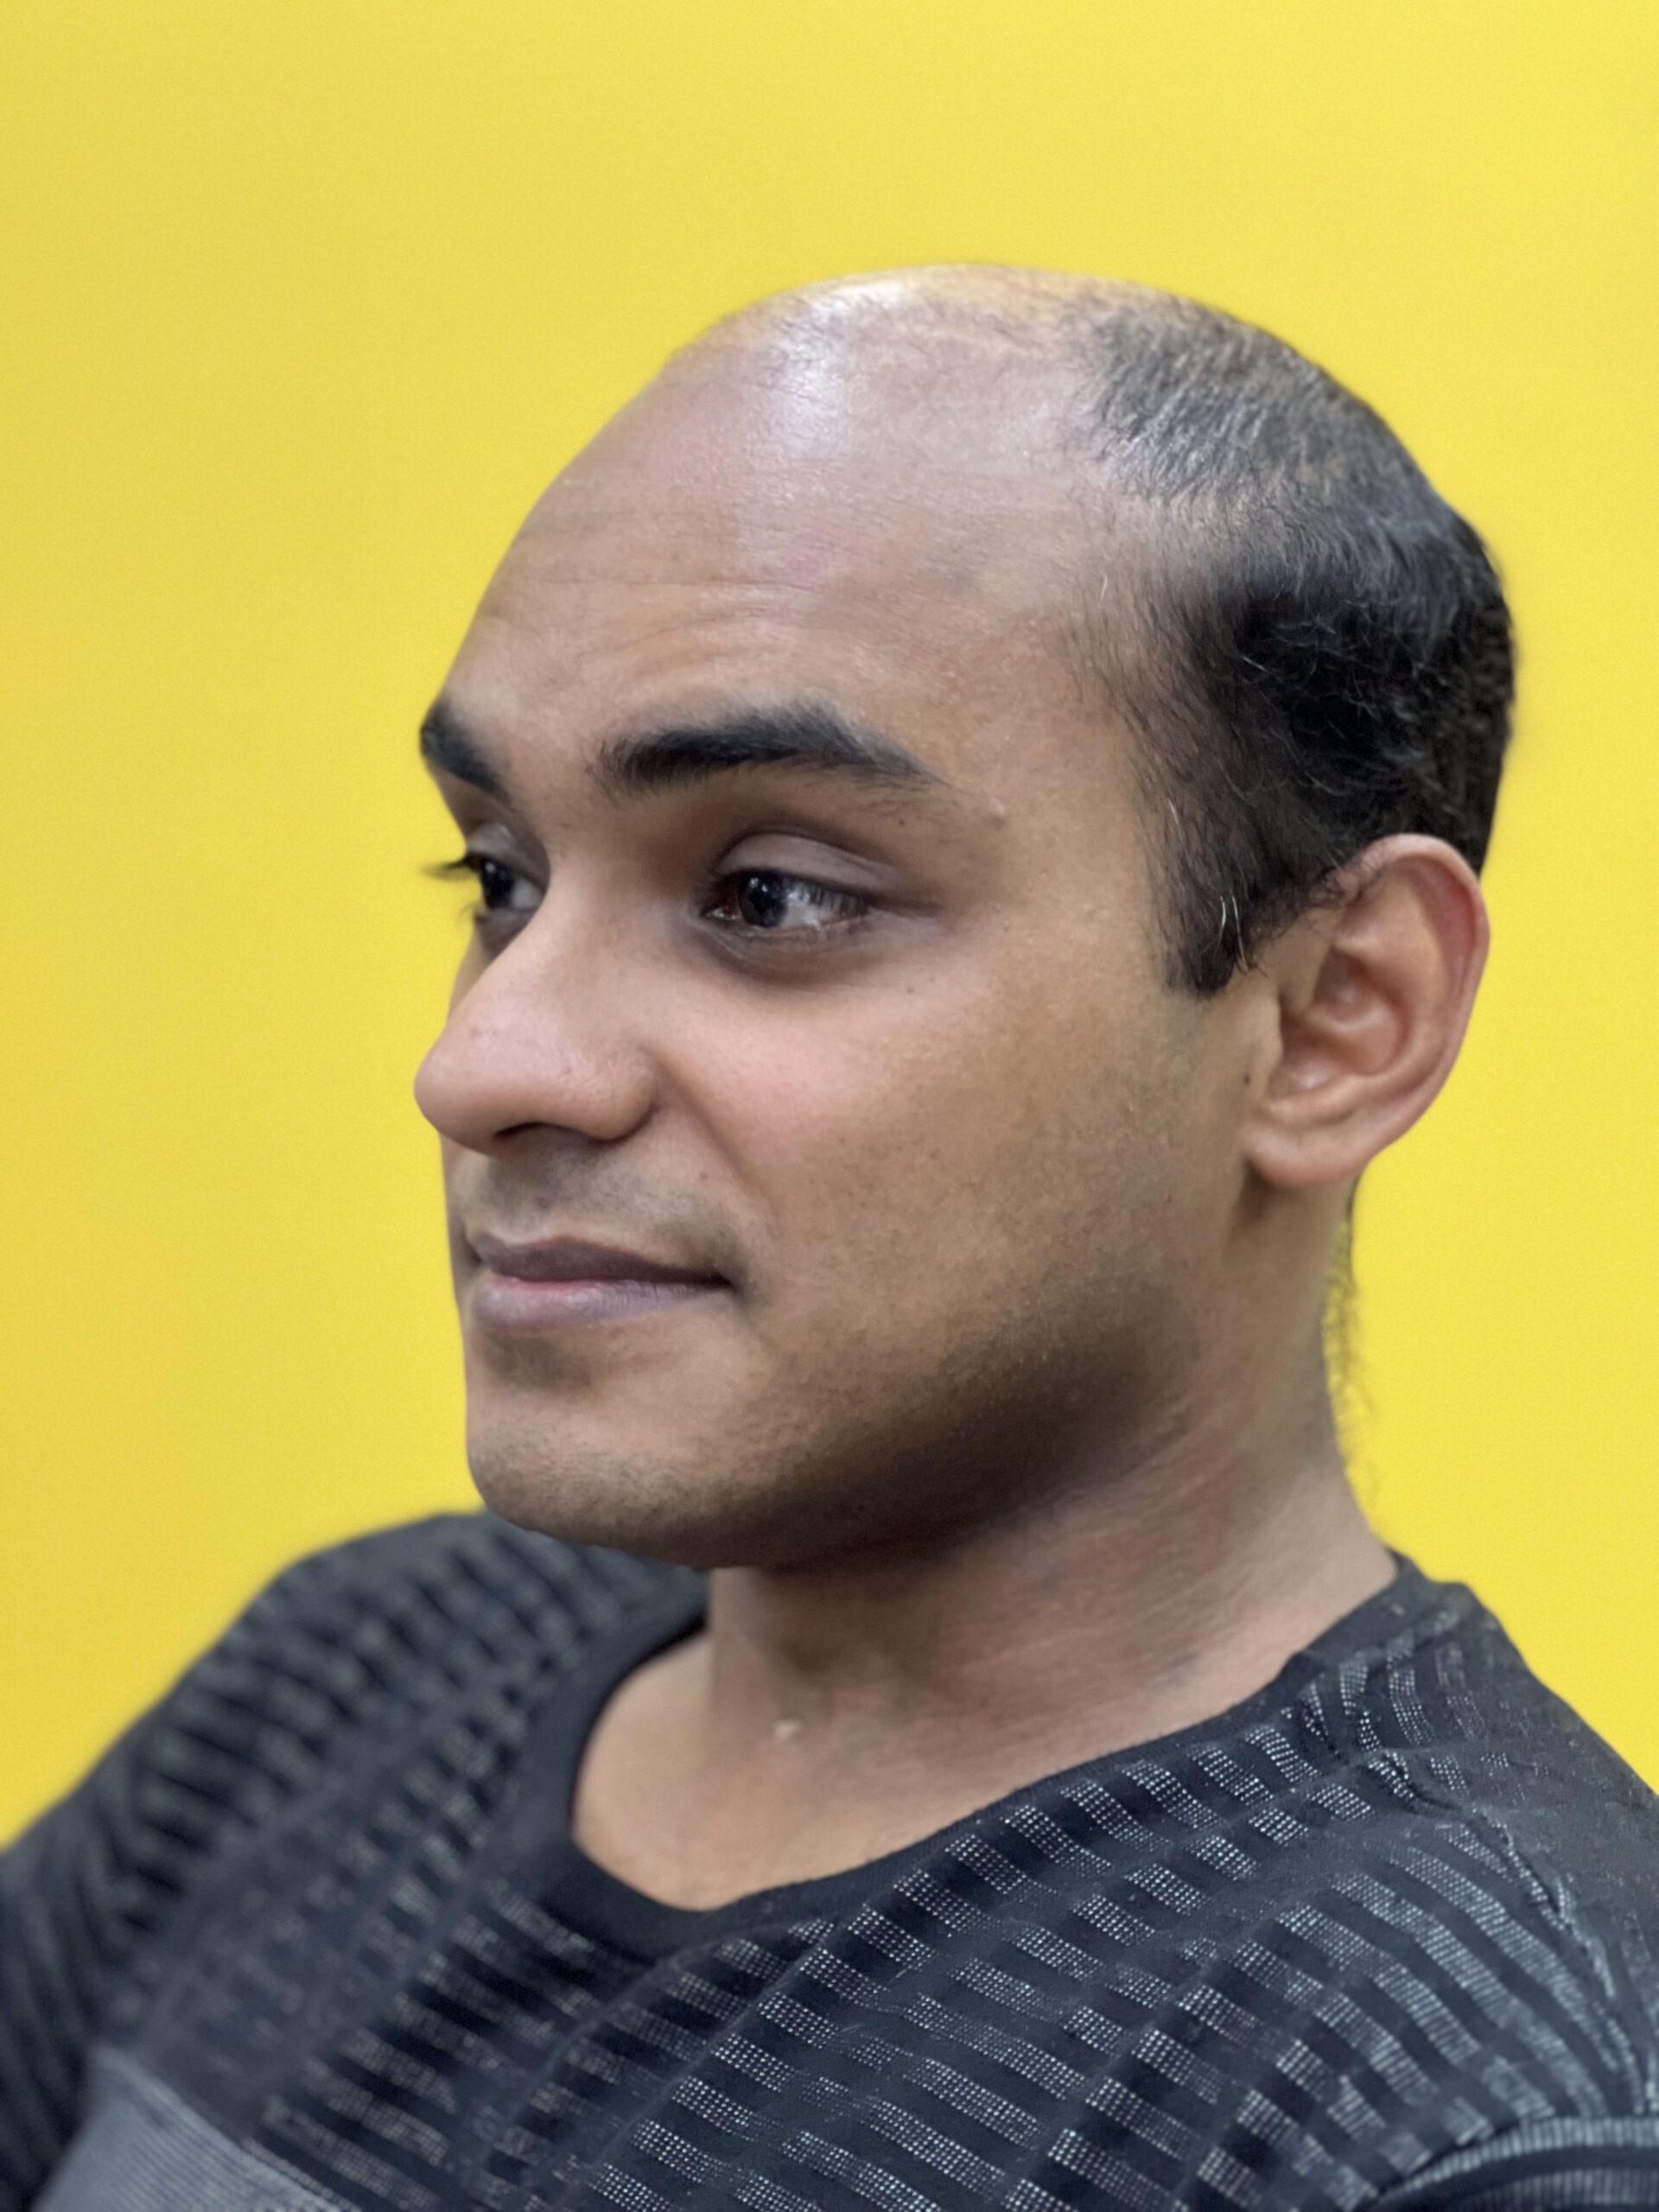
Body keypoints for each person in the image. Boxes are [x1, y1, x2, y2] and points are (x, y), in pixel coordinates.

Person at [5, 265, 1657, 2212]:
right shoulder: (351, 1688)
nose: (484, 1061)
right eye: (500, 875)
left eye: (771, 896)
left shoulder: (1470, 2108)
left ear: (1332, 1020)